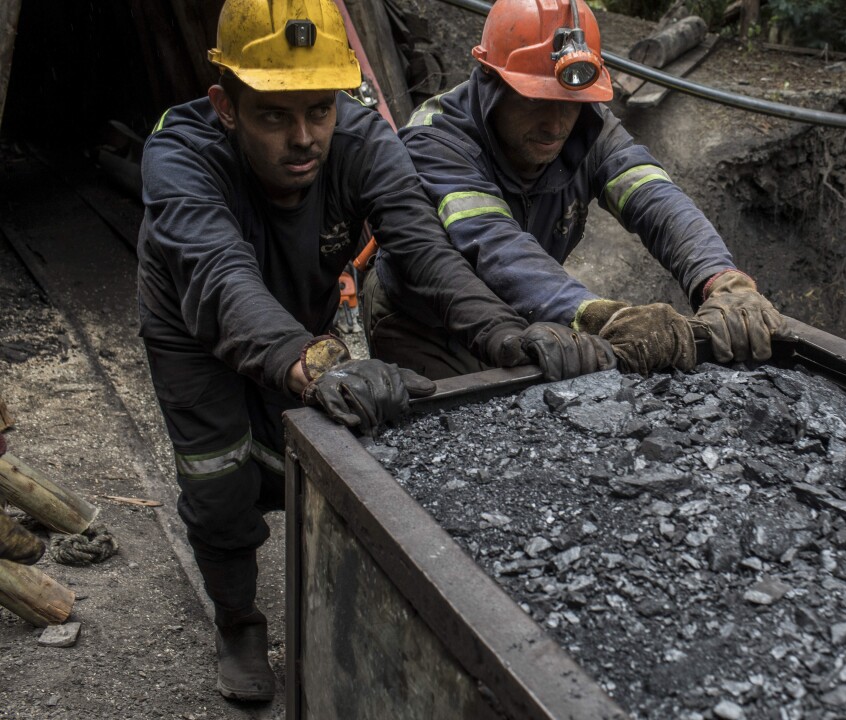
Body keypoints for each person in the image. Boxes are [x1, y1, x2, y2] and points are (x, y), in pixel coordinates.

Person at [137, 0, 610, 702]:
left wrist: (503, 329)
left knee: (293, 450)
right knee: (216, 478)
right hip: (193, 318)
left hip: (299, 309)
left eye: (319, 110)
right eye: (274, 115)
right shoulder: (178, 153)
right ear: (225, 105)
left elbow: (422, 245)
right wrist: (318, 361)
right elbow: (220, 276)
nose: (304, 138)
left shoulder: (359, 140)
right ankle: (237, 618)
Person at [363, 0, 786, 379]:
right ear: (491, 84)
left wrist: (720, 278)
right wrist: (599, 315)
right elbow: (494, 243)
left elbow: (655, 197)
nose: (555, 124)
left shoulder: (588, 126)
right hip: (424, 327)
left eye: (570, 102)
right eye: (534, 101)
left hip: (529, 321)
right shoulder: (435, 141)